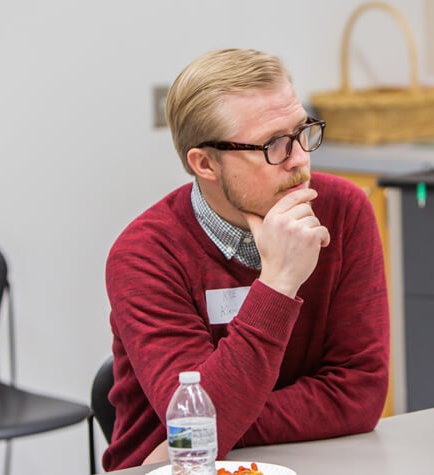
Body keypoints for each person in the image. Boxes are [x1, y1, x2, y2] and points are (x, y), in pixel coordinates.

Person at [103, 48, 389, 471]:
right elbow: (199, 427)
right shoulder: (145, 254)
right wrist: (277, 284)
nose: (299, 159)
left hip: (313, 461)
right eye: (272, 144)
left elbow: (360, 394)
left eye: (302, 131)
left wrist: (219, 424)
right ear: (205, 164)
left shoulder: (344, 212)